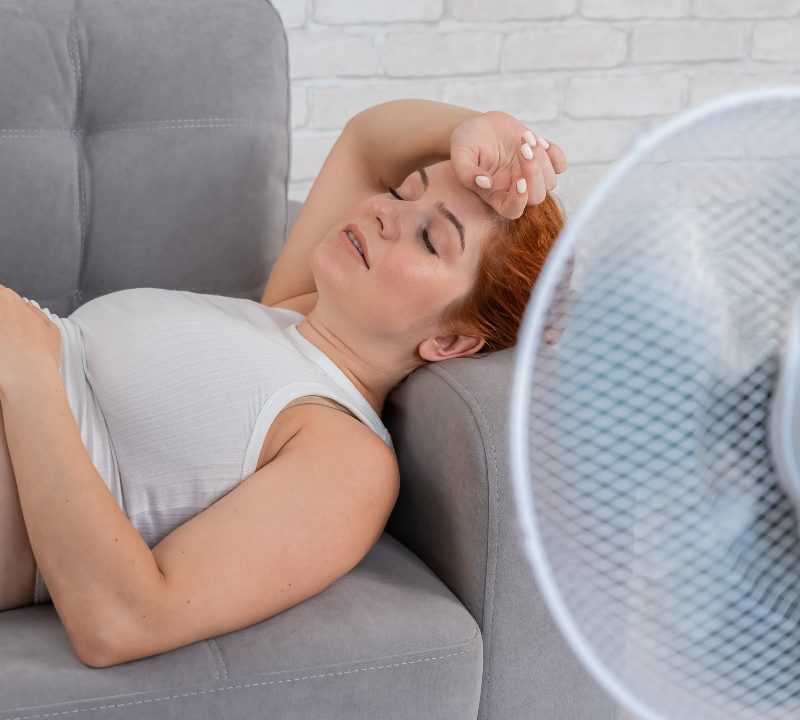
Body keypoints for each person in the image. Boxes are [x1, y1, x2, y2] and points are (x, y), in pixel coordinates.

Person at [0, 99, 567, 666]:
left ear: (449, 342)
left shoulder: (346, 459)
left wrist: (28, 370)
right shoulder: (293, 312)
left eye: (430, 239)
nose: (384, 213)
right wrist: (480, 132)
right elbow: (365, 142)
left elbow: (124, 621)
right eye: (404, 193)